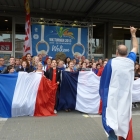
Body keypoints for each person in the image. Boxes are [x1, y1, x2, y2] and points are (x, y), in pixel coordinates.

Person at [100, 26, 138, 140]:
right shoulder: (131, 61)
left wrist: (103, 95)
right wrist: (133, 34)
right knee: (123, 118)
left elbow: (104, 81)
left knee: (111, 119)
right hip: (125, 97)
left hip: (112, 96)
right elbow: (136, 46)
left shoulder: (111, 63)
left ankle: (112, 136)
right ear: (127, 53)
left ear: (116, 52)